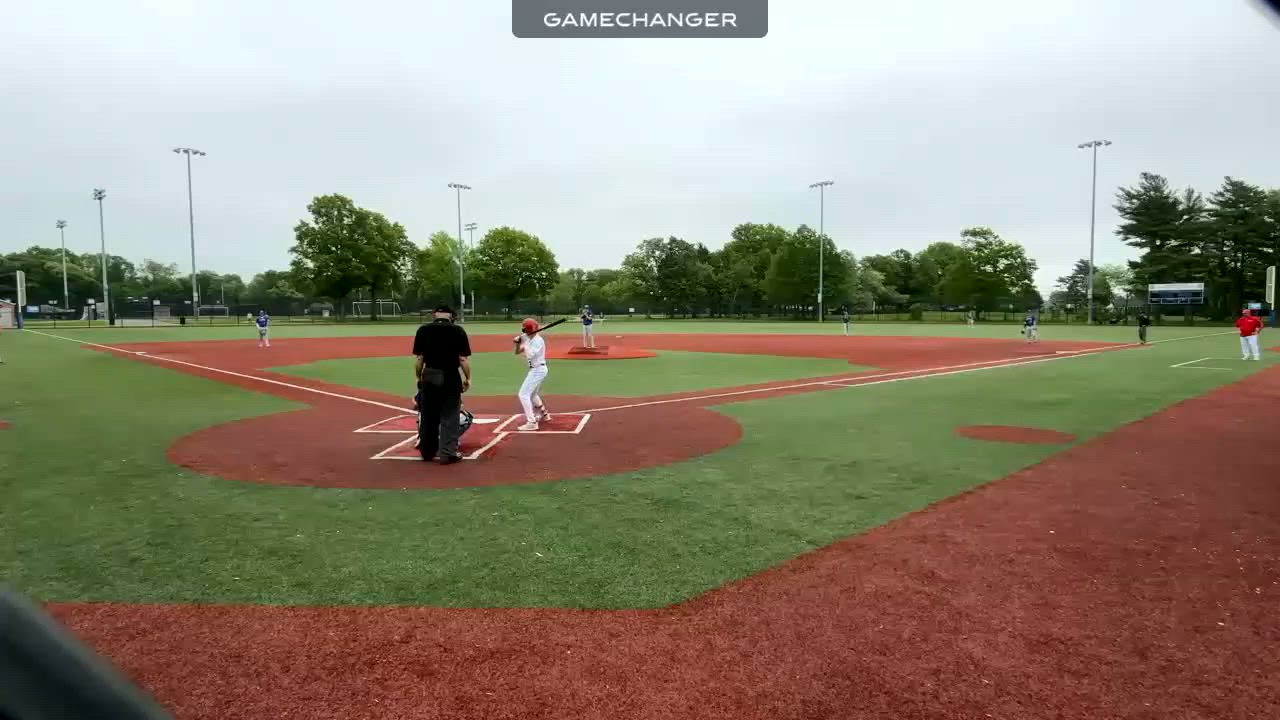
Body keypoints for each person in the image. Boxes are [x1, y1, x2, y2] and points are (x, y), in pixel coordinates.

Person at [412, 305, 473, 464]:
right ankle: (447, 453)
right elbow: (462, 359)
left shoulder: (423, 330)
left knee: (428, 415)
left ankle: (427, 452)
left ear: (434, 315)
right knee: (450, 415)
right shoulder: (457, 331)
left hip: (430, 374)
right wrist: (468, 378)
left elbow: (420, 359)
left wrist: (418, 377)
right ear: (451, 316)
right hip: (450, 375)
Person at [514, 317, 551, 431]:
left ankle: (531, 422)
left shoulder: (538, 341)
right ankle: (545, 414)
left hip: (538, 370)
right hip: (535, 370)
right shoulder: (527, 337)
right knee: (533, 394)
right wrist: (518, 342)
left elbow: (530, 355)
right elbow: (517, 352)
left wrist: (524, 343)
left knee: (523, 394)